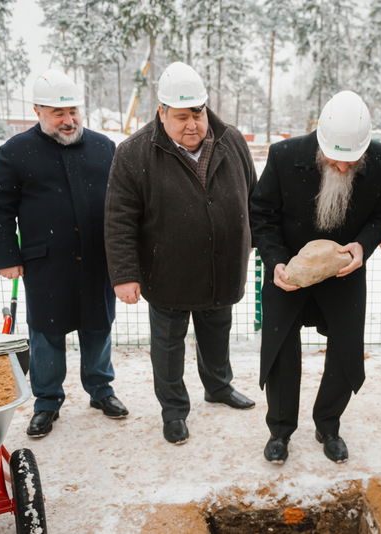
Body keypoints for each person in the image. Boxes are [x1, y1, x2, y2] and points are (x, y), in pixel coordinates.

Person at [104, 62, 257, 445]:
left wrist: (255, 242)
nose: (193, 125)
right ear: (161, 112)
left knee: (217, 332)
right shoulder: (134, 153)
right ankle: (173, 410)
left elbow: (254, 196)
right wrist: (125, 274)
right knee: (169, 346)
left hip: (222, 267)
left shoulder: (231, 141)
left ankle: (218, 386)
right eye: (182, 116)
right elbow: (119, 219)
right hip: (167, 271)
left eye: (198, 114)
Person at [250, 90, 381, 464]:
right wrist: (276, 261)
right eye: (334, 160)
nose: (343, 168)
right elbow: (262, 214)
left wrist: (363, 246)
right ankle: (280, 429)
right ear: (320, 141)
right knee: (281, 350)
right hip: (289, 269)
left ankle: (328, 425)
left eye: (352, 161)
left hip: (344, 270)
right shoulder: (284, 156)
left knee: (346, 351)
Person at [0, 69, 128, 438]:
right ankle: (47, 401)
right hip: (46, 260)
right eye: (58, 113)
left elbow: (122, 204)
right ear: (37, 111)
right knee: (47, 331)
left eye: (73, 111)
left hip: (96, 258)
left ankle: (101, 389)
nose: (69, 120)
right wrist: (4, 256)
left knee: (98, 325)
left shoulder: (103, 147)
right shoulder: (15, 151)